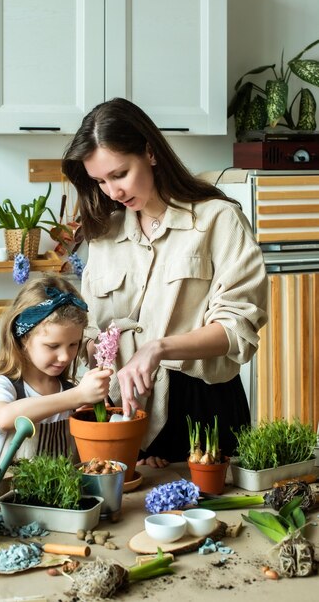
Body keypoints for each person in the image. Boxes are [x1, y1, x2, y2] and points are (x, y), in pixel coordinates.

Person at [61, 97, 268, 469]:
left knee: (213, 523)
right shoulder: (104, 234)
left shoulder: (217, 220)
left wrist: (158, 348)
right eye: (99, 181)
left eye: (120, 174)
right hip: (123, 409)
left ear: (151, 152)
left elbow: (238, 330)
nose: (113, 192)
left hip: (203, 408)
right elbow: (91, 329)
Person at [0, 274, 112, 470]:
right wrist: (76, 396)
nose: (64, 356)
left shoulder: (70, 391)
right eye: (53, 346)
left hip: (64, 499)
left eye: (73, 344)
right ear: (24, 338)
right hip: (10, 499)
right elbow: (4, 418)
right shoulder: (1, 384)